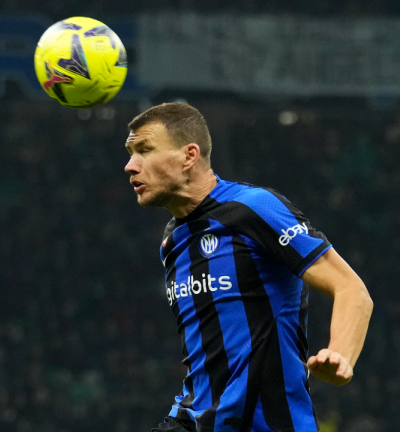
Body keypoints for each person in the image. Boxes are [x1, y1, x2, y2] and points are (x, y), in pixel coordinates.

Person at [123, 103, 373, 432]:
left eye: (144, 150)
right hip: (195, 422)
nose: (130, 166)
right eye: (130, 153)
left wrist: (340, 355)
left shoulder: (253, 208)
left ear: (189, 155)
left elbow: (351, 290)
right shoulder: (172, 240)